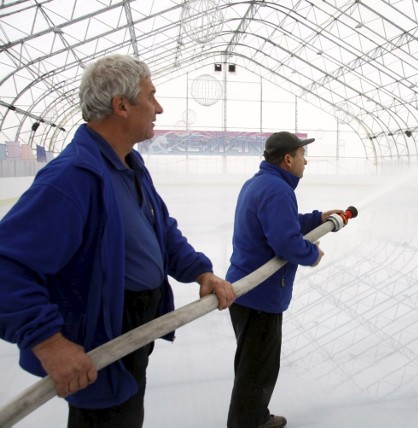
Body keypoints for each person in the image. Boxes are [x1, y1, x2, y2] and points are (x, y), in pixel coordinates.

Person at [0, 54, 236, 427]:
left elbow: (161, 231)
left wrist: (200, 272)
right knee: (107, 417)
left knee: (126, 412)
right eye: (151, 96)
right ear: (121, 105)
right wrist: (48, 343)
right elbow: (7, 266)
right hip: (100, 338)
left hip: (133, 332)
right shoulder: (72, 178)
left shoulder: (128, 165)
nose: (158, 108)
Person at [225, 131, 344, 428]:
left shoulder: (261, 183)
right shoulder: (278, 190)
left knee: (252, 366)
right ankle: (250, 422)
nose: (306, 162)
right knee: (258, 369)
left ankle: (249, 418)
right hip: (260, 294)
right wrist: (311, 254)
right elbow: (285, 241)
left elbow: (283, 222)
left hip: (247, 291)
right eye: (303, 156)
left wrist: (317, 219)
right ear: (288, 159)